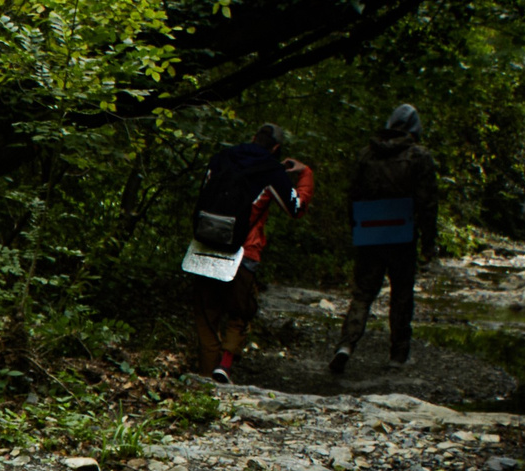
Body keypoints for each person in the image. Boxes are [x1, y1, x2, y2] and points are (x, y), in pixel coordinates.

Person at [185, 124, 312, 384]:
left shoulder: (220, 159)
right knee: (240, 312)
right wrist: (305, 174)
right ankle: (225, 365)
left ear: (253, 138)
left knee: (207, 314)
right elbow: (296, 208)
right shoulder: (272, 171)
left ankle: (206, 377)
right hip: (245, 251)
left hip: (206, 244)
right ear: (276, 149)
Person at [330, 105, 440, 375]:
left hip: (369, 229)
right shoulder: (418, 156)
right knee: (401, 294)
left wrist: (355, 227)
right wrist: (428, 241)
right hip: (401, 231)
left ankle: (346, 345)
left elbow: (352, 195)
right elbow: (428, 202)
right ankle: (397, 355)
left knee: (363, 293)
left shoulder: (367, 154)